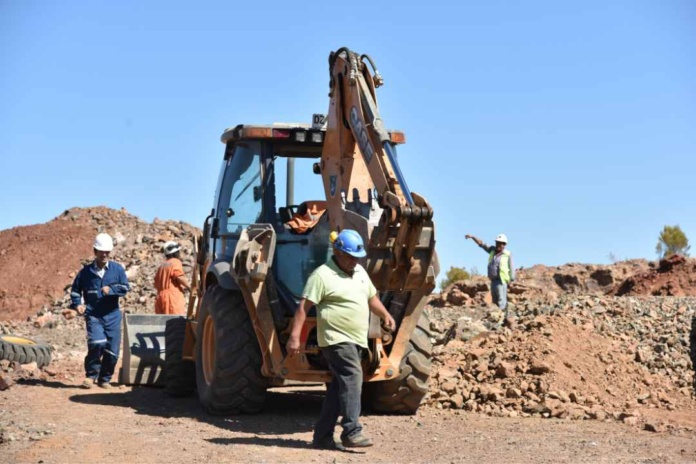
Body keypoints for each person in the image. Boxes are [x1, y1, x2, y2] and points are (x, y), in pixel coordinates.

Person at [286, 229, 396, 451]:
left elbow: (371, 297)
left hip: (356, 340)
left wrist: (385, 314)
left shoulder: (360, 273)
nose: (354, 261)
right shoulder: (322, 275)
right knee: (353, 375)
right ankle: (351, 430)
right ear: (337, 251)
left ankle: (322, 436)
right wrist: (294, 337)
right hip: (335, 338)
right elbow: (303, 307)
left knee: (338, 388)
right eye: (350, 256)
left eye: (357, 257)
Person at [69, 233, 130, 389]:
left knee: (112, 350)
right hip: (93, 314)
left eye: (107, 252)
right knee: (97, 343)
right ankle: (91, 376)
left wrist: (112, 289)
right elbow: (75, 291)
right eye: (101, 251)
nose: (105, 255)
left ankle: (105, 379)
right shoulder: (85, 272)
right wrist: (77, 305)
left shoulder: (117, 269)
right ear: (95, 251)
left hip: (113, 315)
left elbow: (125, 288)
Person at [465, 233, 515, 323]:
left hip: (502, 281)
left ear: (504, 244)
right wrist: (472, 237)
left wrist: (511, 279)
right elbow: (481, 244)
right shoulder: (492, 250)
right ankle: (496, 320)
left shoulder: (507, 254)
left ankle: (502, 321)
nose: (499, 245)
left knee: (501, 301)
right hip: (493, 281)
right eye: (497, 243)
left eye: (501, 243)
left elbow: (511, 267)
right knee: (495, 301)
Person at [154, 241, 191, 315]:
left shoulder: (162, 266)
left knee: (162, 323)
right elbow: (179, 277)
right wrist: (189, 287)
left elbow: (157, 283)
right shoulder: (175, 262)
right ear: (176, 252)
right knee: (174, 322)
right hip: (172, 298)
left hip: (160, 297)